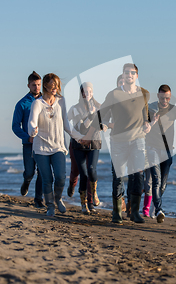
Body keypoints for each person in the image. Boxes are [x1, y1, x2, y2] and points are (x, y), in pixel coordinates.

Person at [92, 63, 151, 224]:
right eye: (127, 72)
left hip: (138, 140)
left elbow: (145, 114)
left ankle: (135, 212)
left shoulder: (144, 93)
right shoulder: (114, 94)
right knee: (118, 176)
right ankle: (117, 212)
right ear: (123, 75)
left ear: (136, 76)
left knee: (137, 176)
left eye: (133, 73)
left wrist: (147, 123)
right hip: (118, 141)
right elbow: (102, 113)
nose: (129, 75)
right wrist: (103, 124)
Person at [28, 73, 84, 217]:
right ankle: (50, 206)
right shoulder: (37, 103)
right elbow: (31, 122)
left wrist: (80, 137)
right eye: (53, 84)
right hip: (40, 148)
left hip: (58, 146)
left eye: (57, 85)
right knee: (47, 179)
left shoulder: (61, 101)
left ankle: (58, 198)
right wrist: (32, 131)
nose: (56, 88)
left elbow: (66, 124)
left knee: (60, 176)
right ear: (46, 85)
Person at [144, 84, 176, 223]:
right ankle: (159, 210)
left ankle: (155, 206)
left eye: (168, 98)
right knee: (156, 180)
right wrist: (149, 123)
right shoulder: (150, 108)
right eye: (163, 98)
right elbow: (143, 124)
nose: (165, 101)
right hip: (152, 148)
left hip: (168, 150)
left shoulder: (174, 109)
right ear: (158, 96)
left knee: (163, 185)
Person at [67, 82, 106, 213]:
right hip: (78, 144)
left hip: (94, 143)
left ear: (92, 92)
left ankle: (93, 197)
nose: (86, 94)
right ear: (81, 93)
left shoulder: (99, 107)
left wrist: (104, 126)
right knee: (83, 174)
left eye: (89, 91)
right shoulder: (74, 108)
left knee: (91, 170)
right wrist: (76, 135)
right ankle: (84, 204)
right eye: (83, 92)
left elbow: (104, 122)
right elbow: (67, 123)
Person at [12, 71, 44, 208]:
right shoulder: (22, 104)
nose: (36, 88)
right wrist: (27, 137)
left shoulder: (46, 101)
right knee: (30, 172)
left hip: (44, 143)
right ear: (28, 85)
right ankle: (26, 181)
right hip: (29, 144)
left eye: (38, 85)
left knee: (42, 172)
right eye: (33, 85)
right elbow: (15, 126)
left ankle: (38, 200)